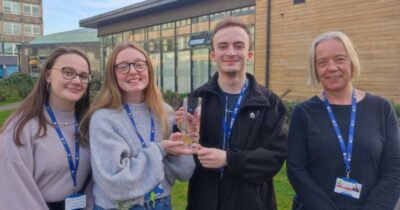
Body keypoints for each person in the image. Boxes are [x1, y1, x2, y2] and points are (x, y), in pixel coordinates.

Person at [179, 17, 287, 210]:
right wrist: (188, 138)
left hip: (252, 203)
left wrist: (229, 159)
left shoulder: (269, 103)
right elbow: (185, 158)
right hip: (204, 203)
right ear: (213, 55)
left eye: (238, 46)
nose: (230, 52)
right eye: (222, 46)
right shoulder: (196, 99)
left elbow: (274, 158)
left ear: (250, 54)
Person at [287, 31, 400, 210]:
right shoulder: (304, 112)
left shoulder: (381, 108)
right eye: (322, 62)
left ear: (352, 61)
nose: (331, 67)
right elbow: (296, 170)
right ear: (315, 68)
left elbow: (394, 171)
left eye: (339, 59)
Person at [80, 42, 195, 210]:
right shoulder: (103, 118)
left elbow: (185, 172)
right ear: (113, 74)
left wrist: (183, 135)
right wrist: (161, 150)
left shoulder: (165, 112)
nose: (133, 71)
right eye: (123, 67)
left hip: (160, 203)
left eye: (139, 64)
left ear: (148, 68)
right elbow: (116, 184)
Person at [0, 47, 93, 210]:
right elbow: (14, 192)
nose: (77, 81)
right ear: (47, 75)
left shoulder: (90, 123)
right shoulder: (20, 128)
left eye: (83, 76)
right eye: (68, 72)